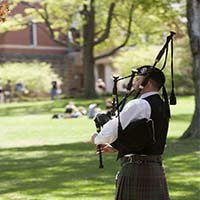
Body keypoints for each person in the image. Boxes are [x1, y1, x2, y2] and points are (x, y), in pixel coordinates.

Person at [91, 65, 171, 200]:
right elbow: (144, 135)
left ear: (149, 82)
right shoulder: (162, 105)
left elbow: (112, 131)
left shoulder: (138, 104)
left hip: (136, 168)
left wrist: (96, 138)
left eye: (138, 79)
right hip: (155, 166)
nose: (134, 82)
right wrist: (117, 147)